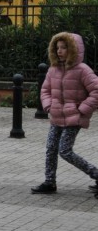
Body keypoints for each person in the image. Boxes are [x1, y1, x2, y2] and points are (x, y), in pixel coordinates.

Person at [32, 32, 98, 194]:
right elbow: (45, 90)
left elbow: (96, 91)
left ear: (74, 49)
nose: (60, 51)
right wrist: (48, 106)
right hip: (56, 116)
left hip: (74, 118)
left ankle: (95, 173)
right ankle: (49, 182)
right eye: (57, 48)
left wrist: (82, 110)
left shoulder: (83, 70)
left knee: (65, 151)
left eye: (64, 47)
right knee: (51, 148)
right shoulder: (53, 69)